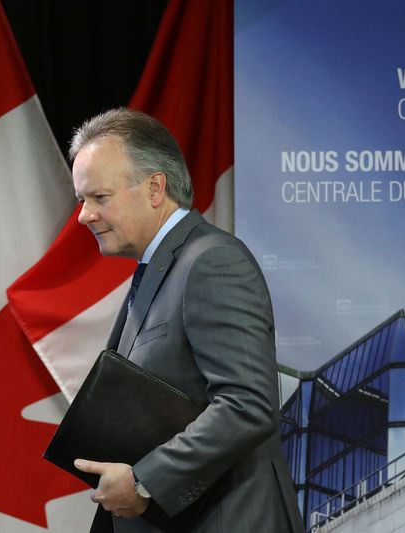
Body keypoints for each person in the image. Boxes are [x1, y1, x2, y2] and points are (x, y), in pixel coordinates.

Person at [69, 108, 305, 533]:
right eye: (81, 200)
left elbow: (247, 405)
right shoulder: (159, 270)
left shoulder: (212, 262)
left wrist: (143, 483)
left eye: (99, 197)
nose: (84, 215)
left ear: (155, 188)